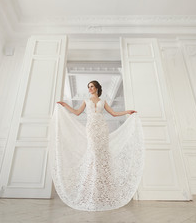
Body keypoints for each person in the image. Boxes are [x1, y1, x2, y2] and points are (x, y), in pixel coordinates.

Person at [50, 80, 144, 211]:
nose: (89, 89)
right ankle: (90, 189)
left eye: (92, 87)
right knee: (93, 154)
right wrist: (65, 105)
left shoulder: (103, 101)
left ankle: (103, 189)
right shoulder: (86, 101)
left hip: (102, 128)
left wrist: (127, 112)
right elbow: (77, 112)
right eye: (88, 87)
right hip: (91, 129)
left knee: (102, 156)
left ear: (97, 88)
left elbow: (114, 113)